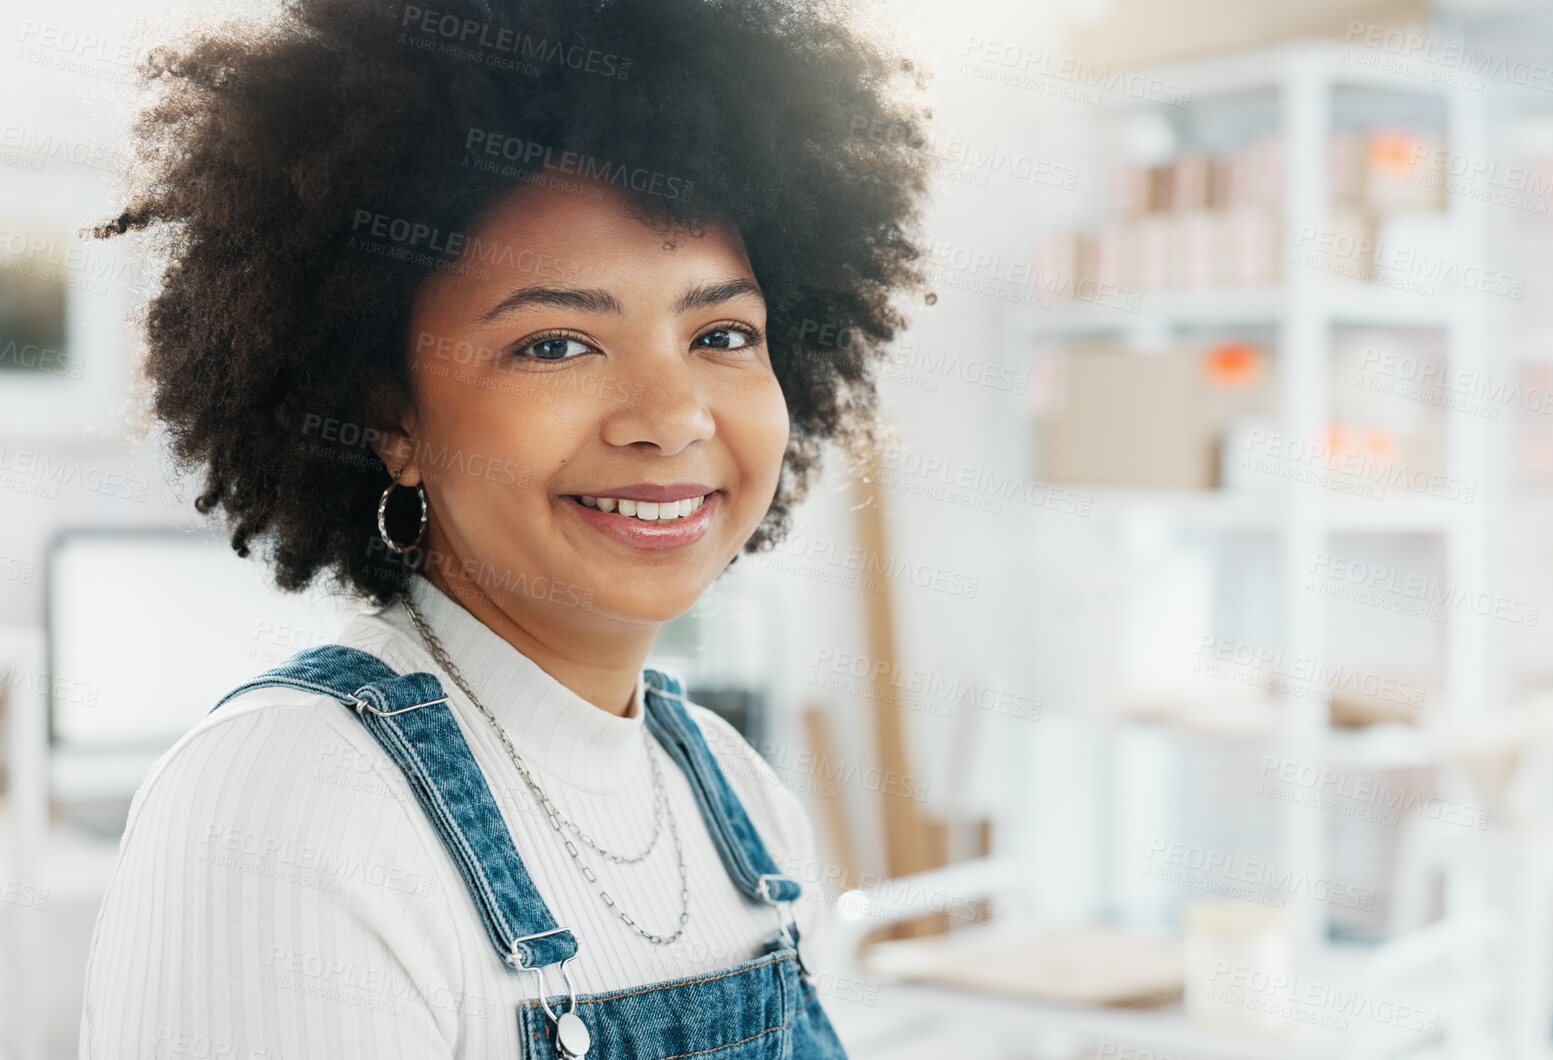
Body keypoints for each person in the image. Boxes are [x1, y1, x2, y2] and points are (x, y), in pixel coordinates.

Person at [76, 0, 932, 1055]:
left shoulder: (741, 805)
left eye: (720, 332)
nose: (671, 418)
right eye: (557, 345)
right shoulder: (287, 806)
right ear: (392, 415)